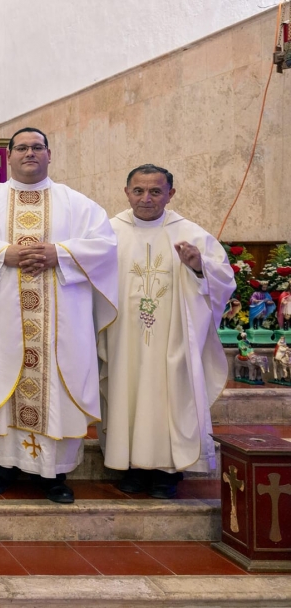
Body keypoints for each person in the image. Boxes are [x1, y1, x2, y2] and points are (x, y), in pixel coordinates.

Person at [0, 128, 118, 504]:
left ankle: (56, 474)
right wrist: (2, 254)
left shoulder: (79, 204)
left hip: (61, 325)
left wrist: (59, 254)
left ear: (50, 154)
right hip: (3, 322)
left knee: (58, 389)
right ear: (8, 156)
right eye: (22, 148)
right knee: (1, 382)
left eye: (37, 147)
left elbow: (105, 246)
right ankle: (0, 466)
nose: (30, 153)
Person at [98, 164, 234, 499]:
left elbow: (225, 280)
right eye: (139, 191)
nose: (146, 198)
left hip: (171, 339)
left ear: (170, 194)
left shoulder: (190, 234)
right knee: (123, 393)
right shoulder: (107, 232)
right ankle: (128, 466)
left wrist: (199, 265)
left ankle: (167, 473)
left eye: (155, 191)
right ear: (126, 192)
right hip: (122, 337)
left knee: (169, 397)